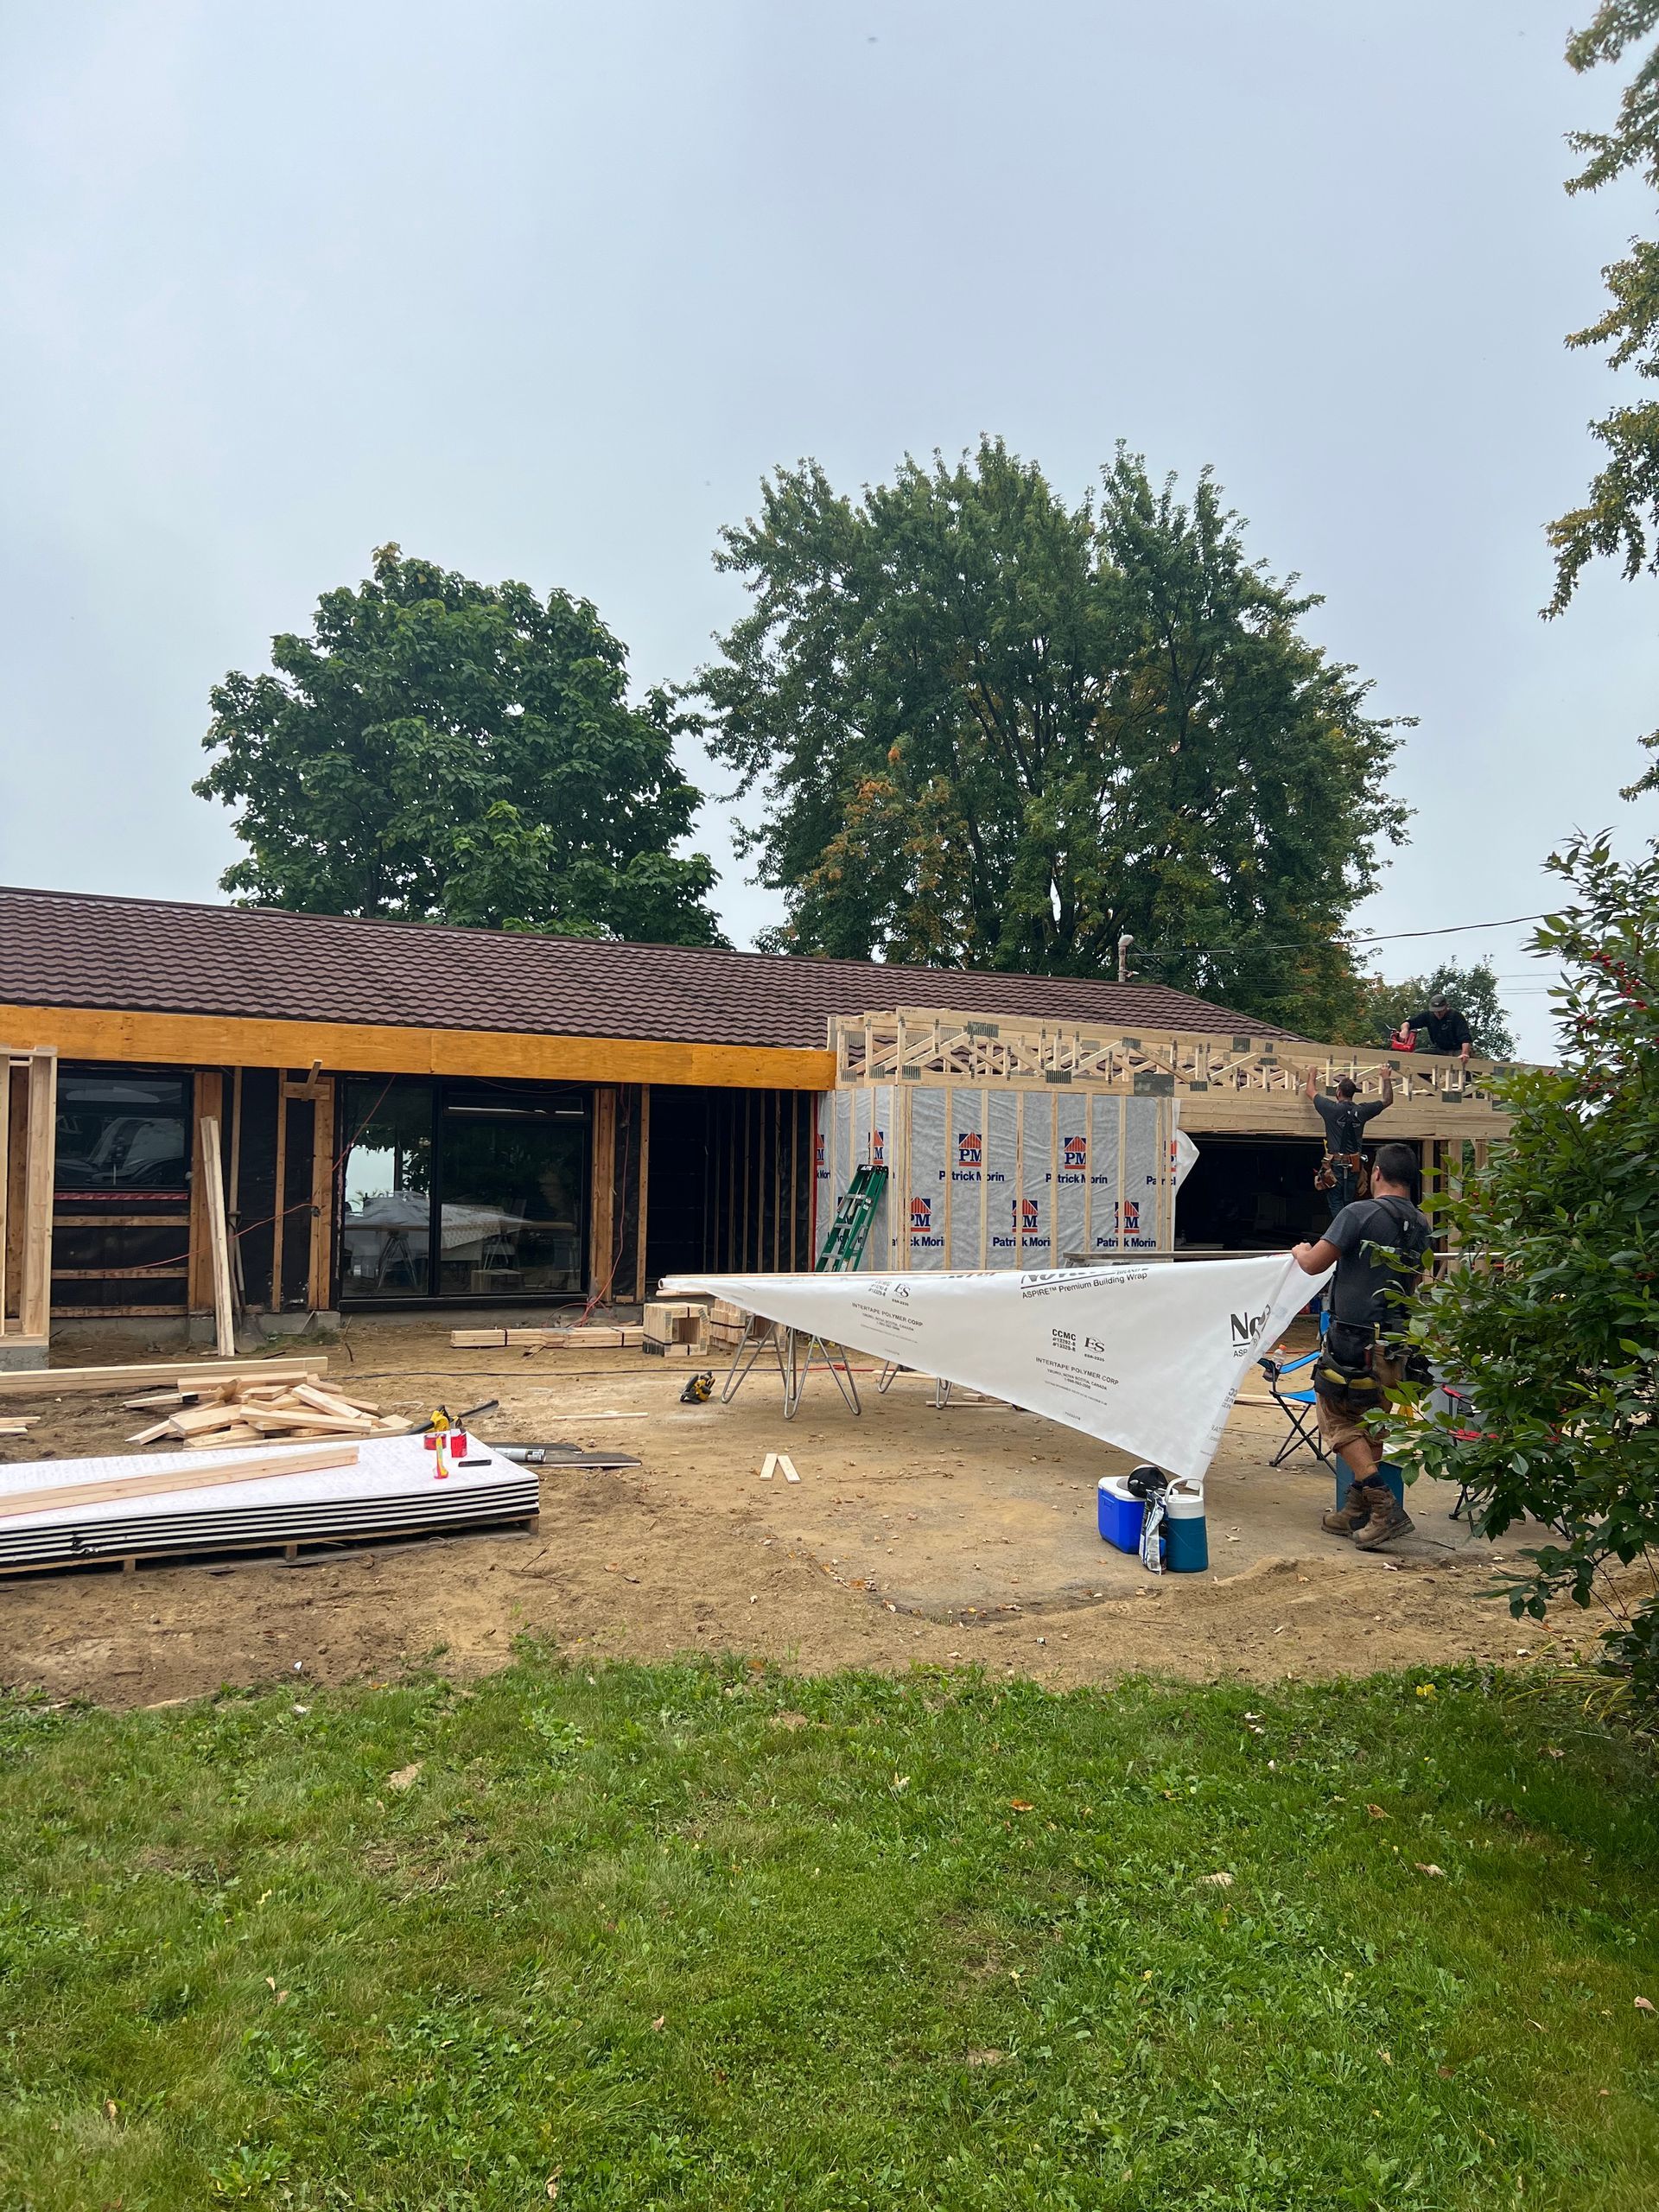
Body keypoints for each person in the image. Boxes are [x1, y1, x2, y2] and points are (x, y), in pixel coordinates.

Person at [1290, 1141, 1432, 1551]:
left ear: (1376, 1175)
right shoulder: (1421, 1224)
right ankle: (1356, 1509)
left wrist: (1301, 1251)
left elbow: (1315, 1263)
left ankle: (1383, 1505)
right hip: (1395, 1342)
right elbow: (1416, 1279)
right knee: (1372, 1421)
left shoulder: (1358, 1213)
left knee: (1336, 1420)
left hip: (1354, 1341)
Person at [1305, 1065, 1395, 1214]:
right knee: (1348, 1203)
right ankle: (1348, 1232)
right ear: (1353, 1094)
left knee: (1336, 1204)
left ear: (1338, 1093)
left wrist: (1312, 1072)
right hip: (1354, 1167)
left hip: (1335, 1166)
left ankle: (1342, 1234)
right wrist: (1386, 1076)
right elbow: (1388, 1100)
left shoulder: (1330, 1108)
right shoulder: (1362, 1111)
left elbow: (1310, 1091)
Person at [1401, 994, 1473, 1064]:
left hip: (1457, 1050)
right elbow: (1408, 1023)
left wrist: (1465, 1054)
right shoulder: (1428, 1016)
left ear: (1446, 1007)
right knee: (1416, 1056)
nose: (1438, 1014)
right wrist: (1404, 1030)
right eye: (1435, 1011)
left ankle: (1468, 1074)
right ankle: (1424, 1075)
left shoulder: (1456, 1016)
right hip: (1439, 1050)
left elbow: (1465, 1038)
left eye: (1440, 1011)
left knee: (1461, 1062)